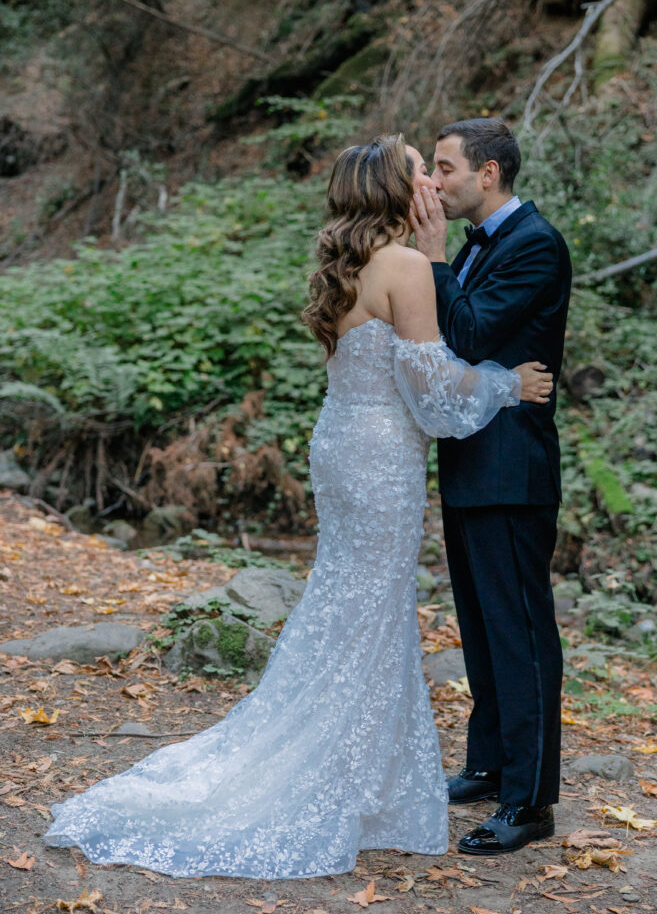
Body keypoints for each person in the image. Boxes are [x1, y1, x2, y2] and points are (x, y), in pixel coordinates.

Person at [43, 134, 553, 879]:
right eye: (419, 169)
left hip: (341, 446)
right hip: (380, 459)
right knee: (371, 606)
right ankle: (337, 774)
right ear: (392, 188)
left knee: (349, 600)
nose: (430, 183)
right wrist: (509, 385)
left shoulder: (346, 267)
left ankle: (359, 773)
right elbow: (433, 390)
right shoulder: (407, 265)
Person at [409, 117, 572, 856]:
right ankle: (488, 761)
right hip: (470, 460)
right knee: (479, 627)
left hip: (511, 470)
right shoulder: (485, 245)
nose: (433, 183)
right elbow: (446, 347)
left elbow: (468, 333)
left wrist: (434, 256)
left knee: (520, 634)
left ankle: (529, 801)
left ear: (488, 174)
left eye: (443, 169)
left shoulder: (535, 245)